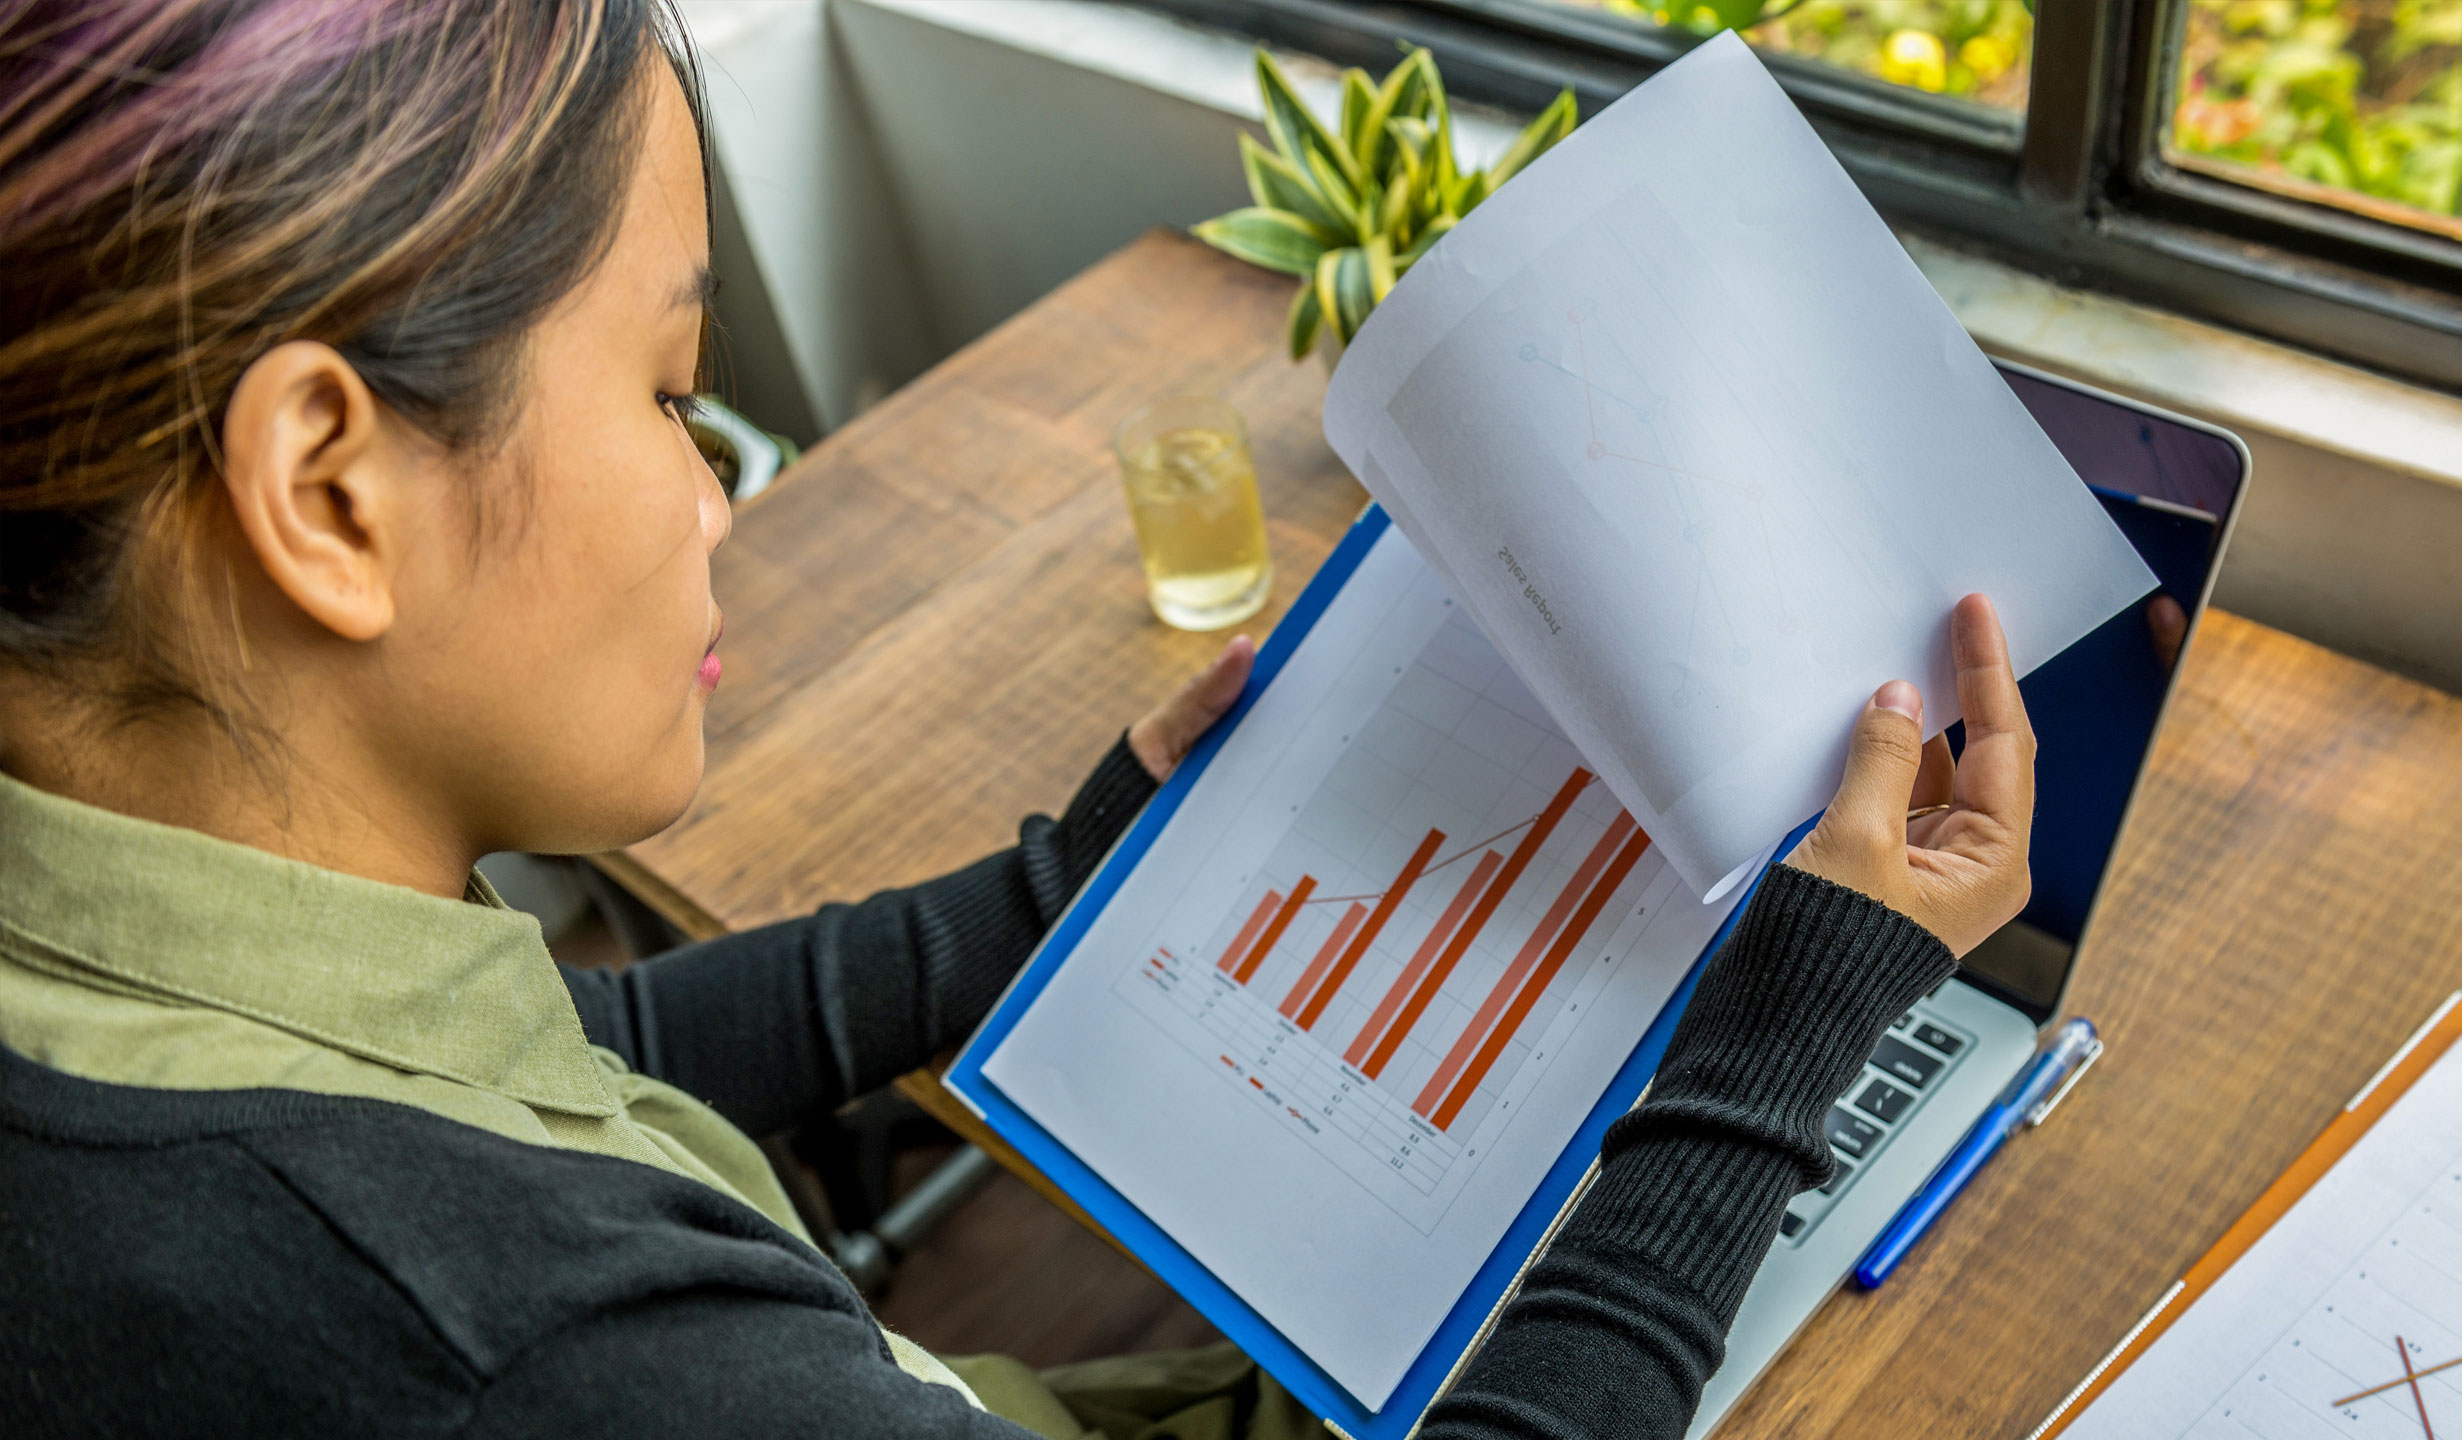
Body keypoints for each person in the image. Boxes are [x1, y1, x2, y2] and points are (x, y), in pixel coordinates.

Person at [0, 4, 2037, 1438]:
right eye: (662, 388)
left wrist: (1054, 892)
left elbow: (546, 1060)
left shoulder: (119, 992)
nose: (714, 483)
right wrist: (1777, 1050)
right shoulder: (546, 1354)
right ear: (330, 492)